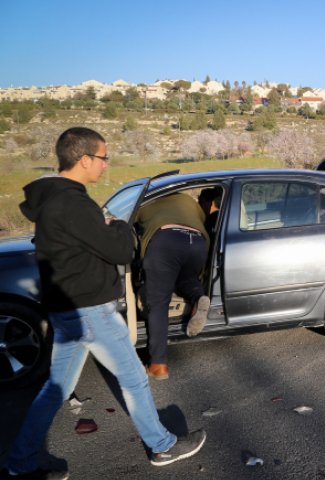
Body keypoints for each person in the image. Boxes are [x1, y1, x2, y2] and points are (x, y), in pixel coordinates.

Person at [2, 127, 206, 479]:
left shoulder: (52, 200)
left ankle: (19, 464)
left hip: (67, 307)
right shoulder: (75, 203)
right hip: (89, 309)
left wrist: (103, 226)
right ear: (84, 159)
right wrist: (122, 228)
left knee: (56, 390)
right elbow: (120, 250)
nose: (105, 165)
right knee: (133, 379)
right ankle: (162, 446)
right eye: (103, 157)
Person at [136, 193, 211, 380]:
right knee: (187, 278)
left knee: (159, 302)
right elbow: (202, 217)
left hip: (166, 241)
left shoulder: (148, 199)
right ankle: (197, 297)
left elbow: (129, 221)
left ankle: (158, 365)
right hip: (197, 241)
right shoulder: (187, 200)